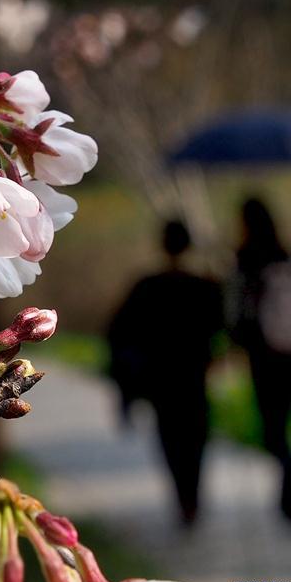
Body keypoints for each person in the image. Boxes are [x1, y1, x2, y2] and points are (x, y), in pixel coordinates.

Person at [108, 221, 223, 524]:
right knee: (196, 440)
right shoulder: (205, 285)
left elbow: (118, 332)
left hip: (160, 381)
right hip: (195, 378)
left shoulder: (147, 285)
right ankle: (192, 497)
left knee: (170, 441)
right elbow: (222, 325)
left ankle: (183, 499)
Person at [228, 198, 291, 523]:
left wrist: (234, 339)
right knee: (282, 422)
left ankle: (290, 490)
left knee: (271, 425)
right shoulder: (288, 255)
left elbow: (239, 309)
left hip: (263, 353)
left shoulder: (245, 257)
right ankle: (290, 488)